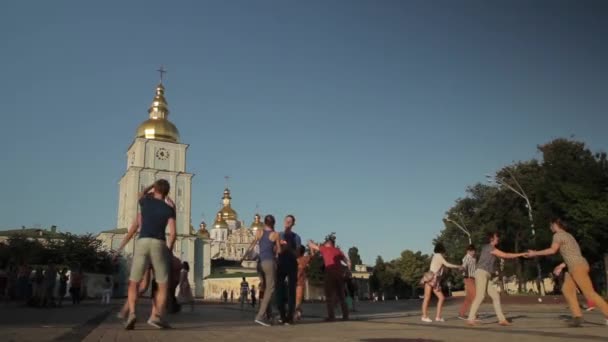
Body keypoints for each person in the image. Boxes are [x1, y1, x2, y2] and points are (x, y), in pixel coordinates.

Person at [115, 180, 177, 330]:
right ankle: (156, 316)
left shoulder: (145, 205)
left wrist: (151, 185)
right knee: (162, 285)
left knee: (134, 283)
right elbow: (173, 233)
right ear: (167, 193)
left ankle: (132, 313)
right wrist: (169, 250)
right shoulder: (169, 209)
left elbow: (140, 194)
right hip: (158, 244)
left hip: (142, 242)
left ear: (154, 190)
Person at [527, 218, 608, 327]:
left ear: (556, 225)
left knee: (589, 293)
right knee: (567, 290)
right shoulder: (569, 235)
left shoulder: (557, 235)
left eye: (551, 225)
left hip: (577, 267)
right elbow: (573, 254)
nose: (550, 227)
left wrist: (535, 253)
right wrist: (561, 265)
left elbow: (552, 250)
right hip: (576, 266)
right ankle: (577, 317)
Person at [467, 231, 526, 327]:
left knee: (495, 296)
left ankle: (502, 320)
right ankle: (470, 318)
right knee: (480, 296)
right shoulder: (489, 247)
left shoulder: (490, 248)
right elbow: (505, 255)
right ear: (491, 239)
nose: (498, 238)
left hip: (486, 275)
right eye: (496, 237)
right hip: (481, 273)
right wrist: (521, 254)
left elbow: (501, 257)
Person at [244, 214, 281, 326]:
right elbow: (279, 251)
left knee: (265, 288)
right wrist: (278, 245)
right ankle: (260, 316)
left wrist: (245, 256)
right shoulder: (275, 234)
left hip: (259, 263)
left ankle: (267, 314)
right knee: (270, 289)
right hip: (269, 262)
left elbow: (252, 245)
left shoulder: (259, 232)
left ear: (264, 222)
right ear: (274, 223)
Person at [308, 233, 349, 322]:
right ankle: (345, 315)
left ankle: (331, 316)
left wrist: (310, 243)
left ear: (328, 244)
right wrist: (347, 270)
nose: (324, 244)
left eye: (325, 243)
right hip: (339, 274)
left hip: (330, 274)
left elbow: (313, 246)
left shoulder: (325, 249)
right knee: (341, 296)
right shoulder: (338, 251)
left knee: (329, 296)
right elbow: (347, 261)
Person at [420, 242, 462, 323]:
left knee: (441, 298)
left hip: (435, 280)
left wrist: (438, 282)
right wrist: (458, 266)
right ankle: (424, 316)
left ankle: (438, 317)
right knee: (427, 298)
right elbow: (447, 264)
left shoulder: (438, 256)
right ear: (442, 250)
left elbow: (440, 271)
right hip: (431, 278)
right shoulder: (438, 255)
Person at [276, 215, 301, 324]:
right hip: (281, 264)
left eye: (290, 222)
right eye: (286, 221)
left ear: (293, 224)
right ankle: (282, 315)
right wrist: (279, 246)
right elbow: (275, 250)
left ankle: (290, 317)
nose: (287, 223)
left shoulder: (296, 237)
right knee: (279, 291)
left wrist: (289, 248)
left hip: (291, 264)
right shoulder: (279, 235)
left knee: (291, 292)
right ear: (284, 222)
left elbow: (297, 254)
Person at [458, 245, 477, 320]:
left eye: (474, 251)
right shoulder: (466, 258)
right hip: (468, 278)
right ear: (467, 251)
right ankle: (473, 315)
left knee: (469, 298)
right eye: (471, 251)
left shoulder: (474, 258)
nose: (473, 252)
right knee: (475, 296)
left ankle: (461, 313)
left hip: (473, 278)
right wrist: (462, 268)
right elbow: (464, 266)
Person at [295, 245, 312, 320]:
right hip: (295, 281)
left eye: (297, 250)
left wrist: (311, 247)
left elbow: (312, 256)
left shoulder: (304, 259)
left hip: (299, 282)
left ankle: (297, 313)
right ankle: (298, 312)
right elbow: (312, 255)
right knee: (296, 299)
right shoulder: (296, 259)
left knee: (298, 299)